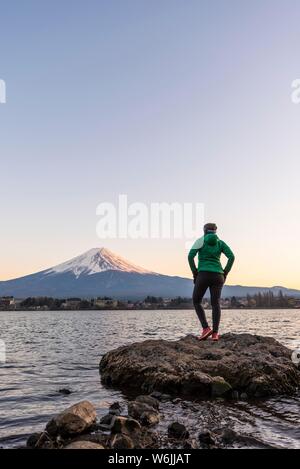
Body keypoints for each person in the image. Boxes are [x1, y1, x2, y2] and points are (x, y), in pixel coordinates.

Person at [188, 223, 235, 341]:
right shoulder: (220, 243)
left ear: (204, 230)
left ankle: (205, 328)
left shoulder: (200, 241)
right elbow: (232, 257)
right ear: (215, 231)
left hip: (203, 274)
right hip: (218, 275)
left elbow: (190, 256)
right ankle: (215, 334)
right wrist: (225, 272)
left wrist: (195, 272)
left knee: (196, 301)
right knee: (216, 304)